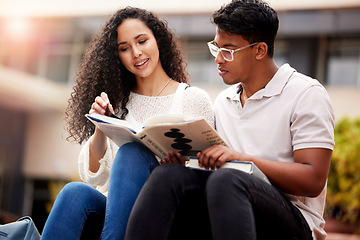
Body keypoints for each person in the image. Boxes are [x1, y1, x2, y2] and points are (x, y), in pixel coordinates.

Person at [124, 1, 335, 240]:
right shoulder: (225, 101)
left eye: (228, 50)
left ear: (259, 50)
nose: (218, 59)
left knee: (228, 179)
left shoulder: (306, 93)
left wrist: (244, 160)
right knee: (168, 177)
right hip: (229, 208)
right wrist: (186, 162)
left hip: (293, 223)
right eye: (216, 48)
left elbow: (312, 180)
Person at [41, 7, 214, 240]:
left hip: (168, 213)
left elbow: (209, 170)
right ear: (117, 56)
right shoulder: (117, 104)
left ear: (158, 41)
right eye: (124, 48)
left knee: (133, 152)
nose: (136, 53)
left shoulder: (193, 99)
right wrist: (100, 128)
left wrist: (178, 169)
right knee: (74, 192)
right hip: (115, 217)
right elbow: (93, 177)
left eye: (142, 41)